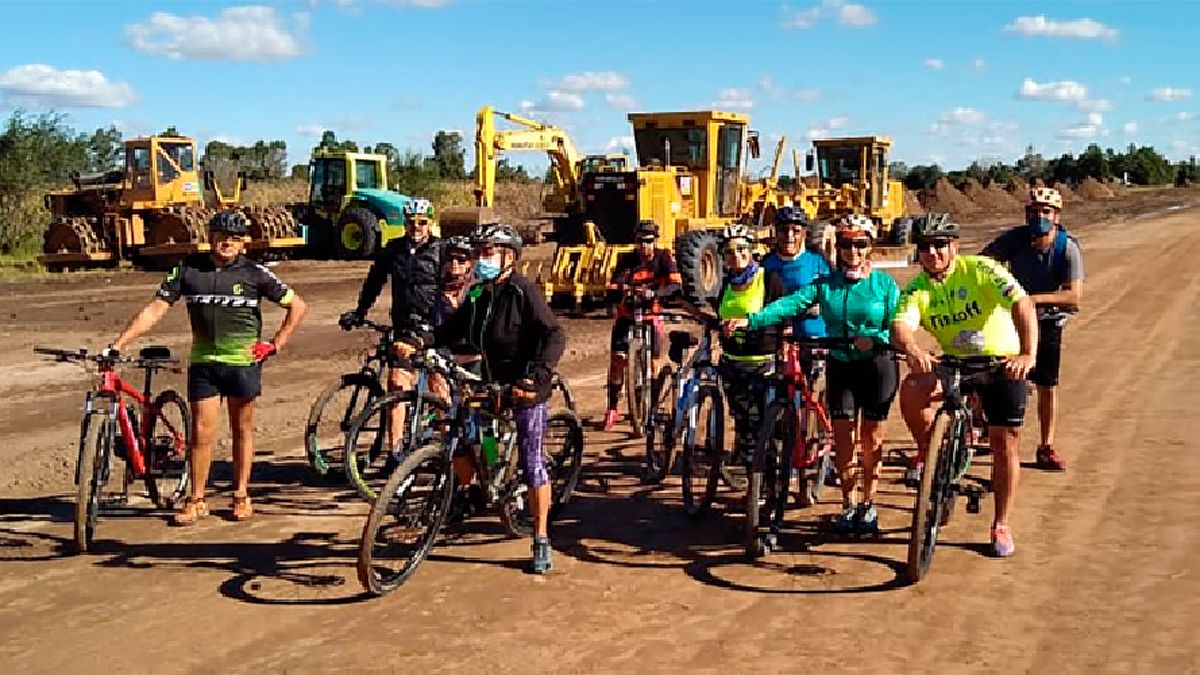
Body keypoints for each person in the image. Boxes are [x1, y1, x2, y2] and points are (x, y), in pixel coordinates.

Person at [108, 210, 308, 524]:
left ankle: (240, 495)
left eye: (234, 238)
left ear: (243, 243)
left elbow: (297, 305)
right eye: (221, 236)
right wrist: (119, 343)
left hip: (242, 363)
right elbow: (156, 309)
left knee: (242, 428)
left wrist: (275, 344)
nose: (227, 243)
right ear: (210, 238)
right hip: (204, 363)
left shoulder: (255, 273)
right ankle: (196, 499)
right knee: (201, 432)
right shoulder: (189, 269)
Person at [395, 223, 566, 574]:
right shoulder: (478, 294)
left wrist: (537, 375)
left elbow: (554, 334)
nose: (481, 259)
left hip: (524, 386)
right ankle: (480, 486)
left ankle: (540, 537)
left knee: (532, 462)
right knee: (462, 437)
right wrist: (419, 342)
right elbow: (450, 329)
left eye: (488, 252)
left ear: (508, 257)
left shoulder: (522, 291)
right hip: (488, 383)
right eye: (479, 253)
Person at [727, 214, 899, 535]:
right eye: (846, 244)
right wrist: (752, 320)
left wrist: (877, 336)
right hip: (841, 364)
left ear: (870, 247)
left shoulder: (884, 285)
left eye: (860, 244)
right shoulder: (826, 284)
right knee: (843, 437)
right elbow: (789, 304)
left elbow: (898, 324)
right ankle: (849, 504)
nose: (852, 251)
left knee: (871, 437)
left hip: (877, 365)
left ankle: (869, 503)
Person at [891, 212, 1037, 558]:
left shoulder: (980, 269)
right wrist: (912, 349)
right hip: (956, 362)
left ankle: (1001, 523)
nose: (932, 253)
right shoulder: (918, 288)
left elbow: (1022, 303)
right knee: (913, 388)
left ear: (954, 246)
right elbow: (900, 324)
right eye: (925, 246)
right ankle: (934, 454)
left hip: (1001, 362)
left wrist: (1027, 353)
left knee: (1004, 442)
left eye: (940, 245)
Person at [981, 186, 1083, 471]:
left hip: (1046, 320)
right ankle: (979, 423)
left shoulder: (1066, 248)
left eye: (1046, 211)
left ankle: (1046, 445)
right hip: (1011, 318)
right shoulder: (1014, 239)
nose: (1040, 217)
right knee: (986, 369)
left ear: (1057, 216)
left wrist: (1031, 300)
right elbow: (984, 262)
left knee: (1046, 384)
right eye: (1034, 211)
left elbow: (1073, 296)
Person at [340, 197, 441, 446]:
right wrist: (360, 310)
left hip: (436, 328)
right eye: (411, 222)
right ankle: (395, 452)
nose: (416, 227)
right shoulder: (394, 249)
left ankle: (448, 447)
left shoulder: (441, 251)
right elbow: (375, 280)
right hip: (404, 327)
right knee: (396, 384)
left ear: (430, 223)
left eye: (422, 222)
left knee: (439, 388)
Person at [705, 224, 786, 468]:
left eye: (741, 249)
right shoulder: (725, 284)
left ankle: (769, 476)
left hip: (763, 364)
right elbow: (717, 315)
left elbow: (782, 315)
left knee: (765, 425)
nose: (736, 255)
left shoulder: (768, 279)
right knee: (743, 425)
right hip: (733, 363)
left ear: (751, 251)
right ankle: (753, 475)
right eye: (729, 251)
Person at [602, 220, 682, 432]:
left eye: (648, 241)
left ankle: (652, 408)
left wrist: (656, 293)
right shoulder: (626, 259)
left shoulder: (664, 258)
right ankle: (612, 407)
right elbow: (615, 283)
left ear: (655, 241)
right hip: (627, 315)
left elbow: (675, 285)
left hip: (651, 315)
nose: (644, 246)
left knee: (655, 364)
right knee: (618, 359)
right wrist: (621, 291)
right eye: (640, 241)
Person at [760, 206, 831, 383]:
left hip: (814, 336)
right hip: (778, 340)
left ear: (804, 234)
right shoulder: (766, 264)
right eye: (784, 230)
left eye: (796, 231)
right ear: (776, 232)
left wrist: (818, 306)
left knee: (815, 389)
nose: (789, 236)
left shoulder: (817, 260)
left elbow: (832, 293)